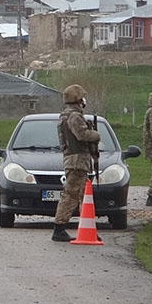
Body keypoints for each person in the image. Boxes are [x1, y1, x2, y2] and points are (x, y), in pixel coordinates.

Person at [53, 84, 101, 242]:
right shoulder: (74, 116)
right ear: (78, 99)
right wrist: (95, 134)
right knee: (71, 194)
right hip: (77, 161)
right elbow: (81, 134)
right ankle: (59, 227)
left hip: (76, 160)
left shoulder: (66, 115)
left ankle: (87, 228)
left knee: (82, 196)